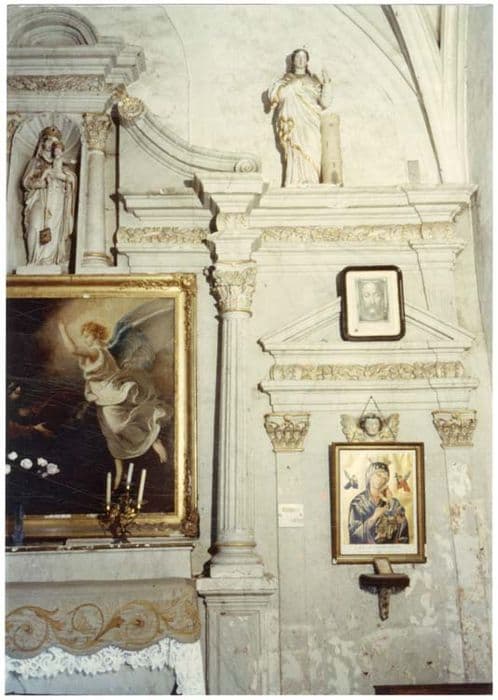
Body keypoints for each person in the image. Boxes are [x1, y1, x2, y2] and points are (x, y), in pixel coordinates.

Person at [58, 319, 168, 489]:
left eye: (87, 335)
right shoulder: (103, 350)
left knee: (117, 428)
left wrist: (62, 329)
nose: (85, 339)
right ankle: (120, 474)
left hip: (110, 393)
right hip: (102, 395)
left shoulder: (96, 351)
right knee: (111, 434)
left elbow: (73, 350)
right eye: (84, 336)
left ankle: (153, 438)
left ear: (96, 334)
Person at [269, 48, 332, 186]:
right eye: (297, 57)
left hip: (311, 120)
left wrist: (327, 83)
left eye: (303, 57)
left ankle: (311, 179)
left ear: (307, 61)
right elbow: (275, 96)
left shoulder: (314, 81)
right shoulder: (286, 80)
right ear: (293, 61)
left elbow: (325, 103)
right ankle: (295, 179)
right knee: (295, 148)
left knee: (312, 145)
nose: (300, 60)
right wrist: (293, 86)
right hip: (293, 122)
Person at [22, 127, 77, 267]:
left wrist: (63, 177)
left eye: (55, 141)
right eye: (50, 140)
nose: (52, 144)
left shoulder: (61, 163)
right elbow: (26, 182)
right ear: (43, 142)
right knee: (34, 226)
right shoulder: (36, 162)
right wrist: (40, 183)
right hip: (38, 197)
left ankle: (48, 261)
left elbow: (71, 179)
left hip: (56, 200)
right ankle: (33, 260)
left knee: (53, 227)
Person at [348, 461, 409, 545]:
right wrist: (374, 518)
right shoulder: (358, 503)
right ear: (369, 476)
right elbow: (354, 535)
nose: (381, 480)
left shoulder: (393, 503)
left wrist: (391, 505)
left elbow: (403, 533)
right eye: (378, 475)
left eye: (385, 477)